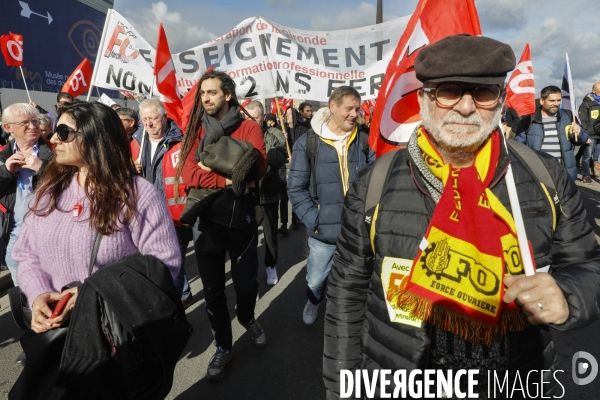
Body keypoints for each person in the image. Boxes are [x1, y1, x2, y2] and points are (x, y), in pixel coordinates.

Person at [323, 34, 600, 399]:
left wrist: (568, 294)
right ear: (424, 99)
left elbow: (587, 265)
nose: (466, 107)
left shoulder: (543, 175)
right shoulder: (374, 183)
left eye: (483, 92)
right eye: (449, 91)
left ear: (500, 101)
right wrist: (342, 388)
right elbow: (347, 292)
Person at [13, 102, 180, 335]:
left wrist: (91, 293)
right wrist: (38, 294)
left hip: (117, 330)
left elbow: (165, 264)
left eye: (63, 132)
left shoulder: (137, 194)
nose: (54, 140)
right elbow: (26, 254)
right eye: (54, 132)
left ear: (95, 137)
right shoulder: (47, 193)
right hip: (59, 331)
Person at [176, 70, 267, 381]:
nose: (205, 99)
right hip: (207, 225)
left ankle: (246, 316)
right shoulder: (195, 132)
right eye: (203, 94)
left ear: (228, 94)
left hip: (241, 222)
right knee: (214, 293)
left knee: (245, 287)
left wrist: (211, 166)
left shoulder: (249, 126)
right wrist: (228, 177)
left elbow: (256, 170)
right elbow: (188, 175)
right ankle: (223, 347)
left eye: (212, 93)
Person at [288, 86, 375, 326]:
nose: (354, 114)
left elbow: (377, 178)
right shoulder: (308, 143)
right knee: (316, 281)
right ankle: (313, 301)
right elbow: (296, 188)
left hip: (358, 229)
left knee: (357, 279)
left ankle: (349, 317)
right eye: (349, 108)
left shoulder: (366, 139)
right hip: (322, 232)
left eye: (357, 109)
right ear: (333, 106)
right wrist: (313, 219)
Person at [132, 99, 194, 308]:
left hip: (176, 216)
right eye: (145, 119)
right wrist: (131, 170)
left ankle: (174, 309)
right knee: (158, 264)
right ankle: (182, 294)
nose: (148, 124)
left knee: (172, 263)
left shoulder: (181, 141)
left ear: (165, 116)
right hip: (145, 215)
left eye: (153, 118)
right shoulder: (136, 142)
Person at [0, 104, 53, 287]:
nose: (33, 126)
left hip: (49, 235)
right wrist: (6, 171)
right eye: (25, 122)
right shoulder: (2, 155)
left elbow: (71, 185)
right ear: (8, 127)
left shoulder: (56, 150)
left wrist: (43, 167)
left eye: (35, 121)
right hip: (15, 235)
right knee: (23, 294)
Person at [246, 100, 287, 286]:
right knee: (249, 238)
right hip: (248, 194)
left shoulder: (275, 134)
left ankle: (271, 265)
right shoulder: (242, 134)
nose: (253, 121)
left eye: (256, 117)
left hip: (269, 192)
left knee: (270, 235)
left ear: (263, 116)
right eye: (249, 117)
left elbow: (279, 159)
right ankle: (251, 274)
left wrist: (261, 145)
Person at [515, 86, 589, 182]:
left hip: (564, 172)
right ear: (542, 100)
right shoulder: (529, 120)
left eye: (559, 100)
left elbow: (583, 139)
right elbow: (519, 147)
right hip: (538, 172)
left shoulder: (568, 116)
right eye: (552, 101)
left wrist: (578, 133)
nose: (556, 104)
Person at [577, 83, 600, 181]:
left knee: (596, 155)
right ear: (593, 91)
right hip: (590, 134)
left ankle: (594, 169)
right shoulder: (586, 104)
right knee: (587, 156)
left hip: (599, 133)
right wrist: (586, 135)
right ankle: (586, 176)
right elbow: (583, 121)